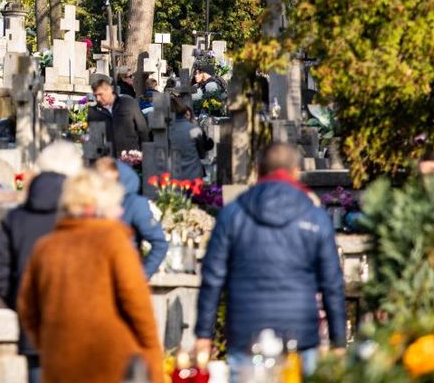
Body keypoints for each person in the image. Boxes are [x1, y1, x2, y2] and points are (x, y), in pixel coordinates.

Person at [194, 142, 346, 378]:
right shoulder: (315, 217)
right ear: (296, 171)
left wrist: (204, 334)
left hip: (246, 330)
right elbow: (332, 284)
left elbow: (212, 278)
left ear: (258, 170)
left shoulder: (233, 215)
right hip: (300, 332)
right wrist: (338, 342)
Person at [18, 169, 163, 382]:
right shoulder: (114, 241)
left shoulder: (46, 247)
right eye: (115, 204)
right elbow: (139, 308)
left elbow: (28, 308)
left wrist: (50, 343)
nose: (120, 210)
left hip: (60, 364)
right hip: (111, 363)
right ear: (98, 206)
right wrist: (153, 363)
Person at [0, 142, 84, 382]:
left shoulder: (17, 218)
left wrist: (21, 301)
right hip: (79, 324)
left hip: (34, 326)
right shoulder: (82, 217)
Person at [96, 157, 168, 277]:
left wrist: (141, 276)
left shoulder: (134, 204)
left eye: (108, 182)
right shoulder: (93, 203)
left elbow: (159, 243)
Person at [88, 73, 148, 156]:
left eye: (100, 94)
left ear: (109, 90)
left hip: (131, 157)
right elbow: (94, 141)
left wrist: (146, 155)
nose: (98, 99)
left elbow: (143, 130)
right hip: (109, 161)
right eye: (95, 95)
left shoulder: (128, 103)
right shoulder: (94, 112)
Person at [168, 98, 208, 181]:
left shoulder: (167, 130)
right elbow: (202, 153)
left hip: (173, 176)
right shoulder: (194, 129)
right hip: (194, 174)